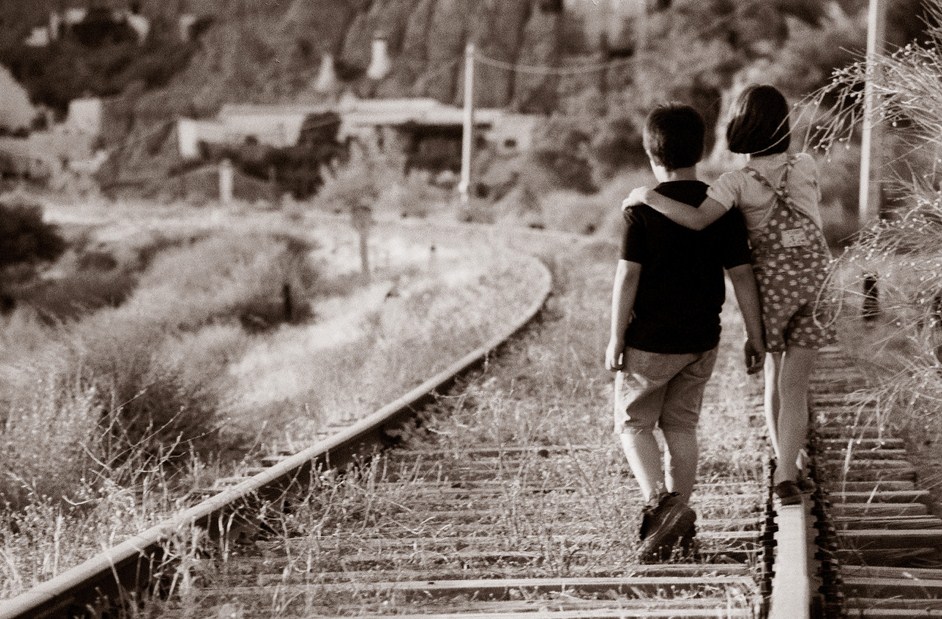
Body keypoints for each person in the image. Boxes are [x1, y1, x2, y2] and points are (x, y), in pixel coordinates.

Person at [621, 84, 837, 506]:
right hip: (818, 283)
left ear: (738, 126)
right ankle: (786, 471)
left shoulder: (736, 183)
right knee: (796, 385)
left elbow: (698, 220)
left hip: (774, 289)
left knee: (775, 377)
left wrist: (647, 196)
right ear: (783, 126)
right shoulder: (806, 164)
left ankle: (784, 467)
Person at [605, 102, 765, 562]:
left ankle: (662, 505)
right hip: (701, 340)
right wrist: (755, 335)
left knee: (634, 423)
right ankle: (681, 514)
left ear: (651, 154)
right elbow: (742, 276)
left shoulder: (641, 208)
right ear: (700, 150)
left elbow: (627, 277)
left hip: (650, 341)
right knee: (682, 425)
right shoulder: (722, 208)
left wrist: (616, 335)